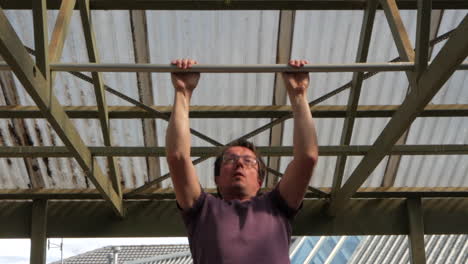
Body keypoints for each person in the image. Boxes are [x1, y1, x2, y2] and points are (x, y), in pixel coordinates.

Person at [166, 59, 318, 264]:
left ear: (260, 181)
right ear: (217, 179)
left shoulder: (277, 205)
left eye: (249, 161)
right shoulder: (202, 210)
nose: (239, 164)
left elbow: (307, 157)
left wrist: (299, 95)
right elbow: (177, 157)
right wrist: (182, 94)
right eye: (230, 160)